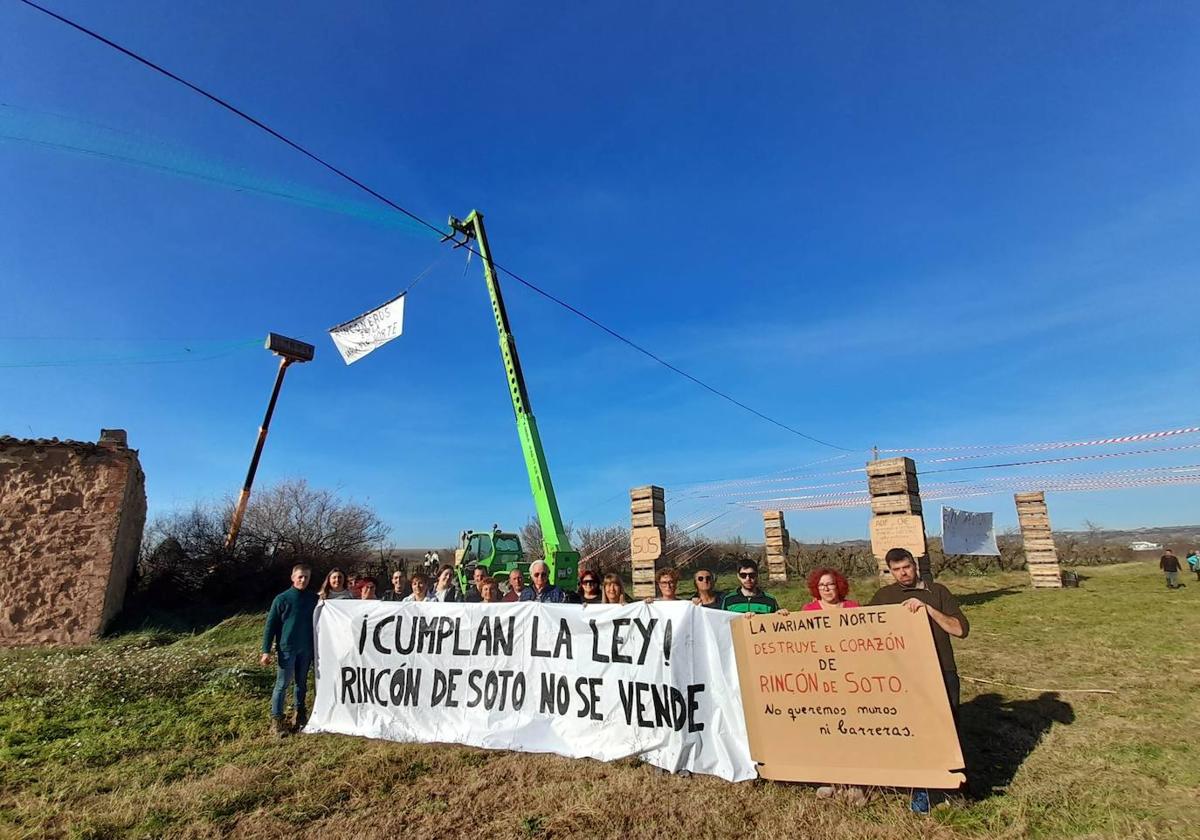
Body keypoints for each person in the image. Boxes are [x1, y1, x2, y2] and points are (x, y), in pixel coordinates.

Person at [869, 547, 969, 814]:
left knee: (949, 729)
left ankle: (954, 787)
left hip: (942, 671)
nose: (903, 574)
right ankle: (921, 790)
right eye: (896, 570)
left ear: (915, 566)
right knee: (915, 733)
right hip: (906, 677)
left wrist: (928, 610)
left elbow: (960, 630)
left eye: (906, 568)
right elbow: (863, 629)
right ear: (890, 571)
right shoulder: (884, 596)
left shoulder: (938, 592)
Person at [260, 564, 318, 738]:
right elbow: (270, 626)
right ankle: (277, 721)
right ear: (292, 578)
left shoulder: (313, 599)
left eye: (306, 577)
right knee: (282, 684)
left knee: (301, 684)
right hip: (287, 649)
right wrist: (266, 651)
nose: (303, 580)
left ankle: (299, 715)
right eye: (300, 576)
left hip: (306, 649)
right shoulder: (282, 599)